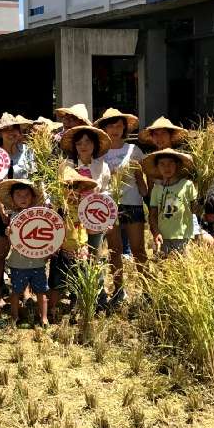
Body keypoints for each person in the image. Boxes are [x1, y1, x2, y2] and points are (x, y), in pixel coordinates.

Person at [93, 108, 148, 301]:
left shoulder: (134, 150)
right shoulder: (99, 154)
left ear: (124, 128)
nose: (115, 130)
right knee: (115, 251)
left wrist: (142, 182)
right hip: (110, 207)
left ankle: (147, 291)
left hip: (132, 203)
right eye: (110, 125)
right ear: (104, 128)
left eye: (119, 126)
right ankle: (118, 290)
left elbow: (142, 184)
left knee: (138, 249)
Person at [0, 113, 34, 304]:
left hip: (25, 206)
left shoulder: (28, 152)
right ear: (0, 133)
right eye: (6, 130)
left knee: (26, 250)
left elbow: (33, 179)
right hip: (0, 209)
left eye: (14, 129)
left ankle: (26, 292)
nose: (11, 133)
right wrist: (1, 208)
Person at [46, 168, 98, 318]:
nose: (72, 191)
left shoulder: (85, 206)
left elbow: (92, 225)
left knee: (78, 280)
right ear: (60, 188)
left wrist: (101, 226)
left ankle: (75, 309)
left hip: (80, 248)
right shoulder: (56, 207)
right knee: (56, 280)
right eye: (67, 186)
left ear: (81, 188)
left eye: (75, 186)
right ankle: (52, 308)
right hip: (60, 249)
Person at [1, 180, 49, 328]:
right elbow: (12, 240)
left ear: (32, 197)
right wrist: (8, 233)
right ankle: (15, 317)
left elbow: (47, 235)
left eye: (26, 195)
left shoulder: (39, 215)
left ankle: (44, 317)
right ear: (13, 198)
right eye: (19, 195)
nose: (23, 198)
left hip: (37, 261)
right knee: (16, 292)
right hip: (18, 262)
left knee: (41, 291)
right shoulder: (14, 216)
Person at [60, 125, 112, 259]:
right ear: (74, 146)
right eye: (79, 143)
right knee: (74, 259)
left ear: (95, 144)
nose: (83, 146)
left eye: (88, 141)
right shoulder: (66, 166)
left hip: (95, 217)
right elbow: (60, 193)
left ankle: (95, 281)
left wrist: (108, 218)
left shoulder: (102, 167)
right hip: (73, 220)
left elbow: (106, 191)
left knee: (95, 257)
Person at [143, 149, 198, 256]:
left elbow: (195, 210)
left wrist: (200, 201)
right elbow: (153, 215)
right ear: (158, 167)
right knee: (163, 269)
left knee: (184, 268)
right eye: (162, 164)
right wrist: (156, 233)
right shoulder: (156, 188)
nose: (166, 167)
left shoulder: (187, 185)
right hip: (163, 237)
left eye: (170, 163)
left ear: (177, 165)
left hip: (183, 236)